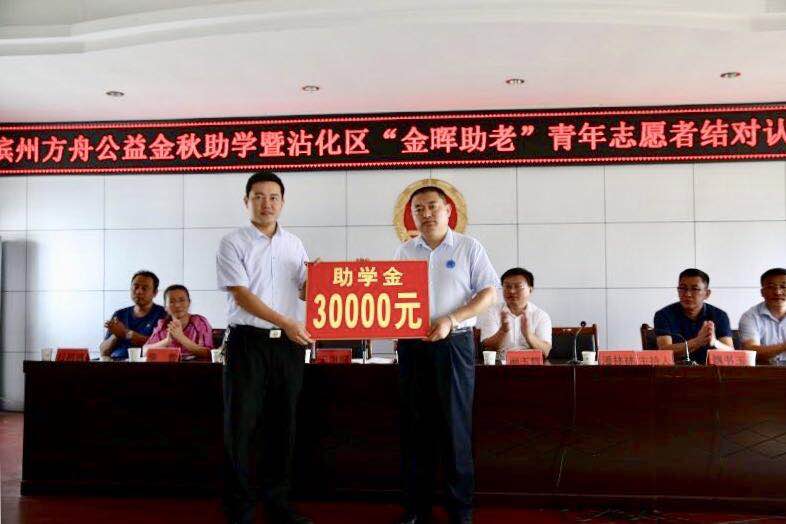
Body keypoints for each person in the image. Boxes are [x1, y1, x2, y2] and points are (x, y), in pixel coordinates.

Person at [394, 186, 498, 524]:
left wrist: (451, 320)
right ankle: (416, 509)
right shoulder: (405, 251)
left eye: (432, 206)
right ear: (412, 214)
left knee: (455, 429)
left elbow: (488, 293)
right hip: (413, 346)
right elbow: (390, 294)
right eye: (419, 209)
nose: (426, 214)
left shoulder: (468, 247)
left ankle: (460, 511)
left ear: (448, 209)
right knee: (415, 428)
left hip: (454, 344)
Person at [216, 171, 313, 524]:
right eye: (258, 196)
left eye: (273, 197)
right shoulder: (232, 243)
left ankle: (277, 503)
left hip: (288, 347)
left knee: (283, 426)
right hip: (248, 343)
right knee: (241, 426)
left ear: (282, 202)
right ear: (247, 202)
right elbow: (242, 295)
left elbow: (305, 290)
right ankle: (240, 508)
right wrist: (286, 321)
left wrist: (333, 279)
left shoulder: (294, 244)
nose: (266, 203)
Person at [654, 268, 734, 364]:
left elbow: (731, 352)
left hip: (710, 371)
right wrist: (698, 341)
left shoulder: (719, 316)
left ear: (707, 294)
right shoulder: (663, 315)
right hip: (676, 371)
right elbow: (664, 352)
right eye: (683, 288)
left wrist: (714, 342)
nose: (688, 294)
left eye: (695, 289)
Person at [477, 267, 552, 361]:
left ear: (530, 289)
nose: (512, 291)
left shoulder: (541, 316)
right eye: (507, 287)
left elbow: (545, 351)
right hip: (500, 365)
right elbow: (487, 348)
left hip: (530, 365)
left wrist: (528, 335)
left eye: (518, 286)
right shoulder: (492, 312)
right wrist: (503, 331)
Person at [100, 270, 167, 359]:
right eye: (136, 287)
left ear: (155, 292)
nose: (139, 291)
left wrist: (126, 333)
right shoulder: (119, 314)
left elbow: (164, 346)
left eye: (144, 288)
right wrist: (115, 335)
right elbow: (103, 351)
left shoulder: (163, 314)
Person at [144, 284, 214, 359]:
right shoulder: (163, 325)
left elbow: (209, 353)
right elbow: (144, 351)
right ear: (165, 307)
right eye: (171, 301)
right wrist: (167, 341)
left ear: (189, 303)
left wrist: (181, 337)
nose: (177, 305)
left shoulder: (199, 322)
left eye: (182, 300)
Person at [740, 268, 786, 363]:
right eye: (771, 287)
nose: (777, 292)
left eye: (783, 286)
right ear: (762, 292)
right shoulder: (750, 316)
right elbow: (751, 352)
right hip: (764, 369)